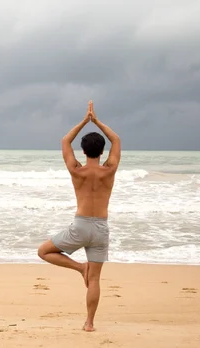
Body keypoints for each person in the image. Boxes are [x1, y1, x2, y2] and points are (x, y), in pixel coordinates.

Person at [37, 101, 121, 332]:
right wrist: (97, 121)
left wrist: (85, 121)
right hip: (101, 228)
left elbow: (65, 141)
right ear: (102, 151)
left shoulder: (76, 170)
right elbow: (117, 140)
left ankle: (78, 268)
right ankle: (89, 323)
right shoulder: (109, 169)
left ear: (83, 151)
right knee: (95, 280)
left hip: (81, 226)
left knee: (43, 251)